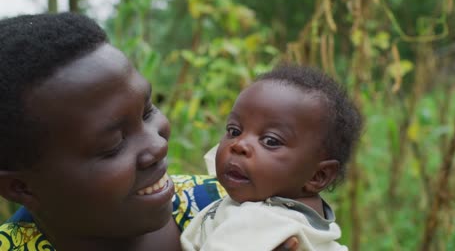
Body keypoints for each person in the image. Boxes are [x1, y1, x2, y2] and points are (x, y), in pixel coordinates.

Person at [0, 13, 297, 251]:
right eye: (113, 144)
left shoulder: (241, 209)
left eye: (147, 112)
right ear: (20, 188)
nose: (156, 145)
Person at [181, 66, 363, 251]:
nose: (239, 144)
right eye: (234, 131)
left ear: (317, 176)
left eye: (270, 141)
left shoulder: (258, 223)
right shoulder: (310, 221)